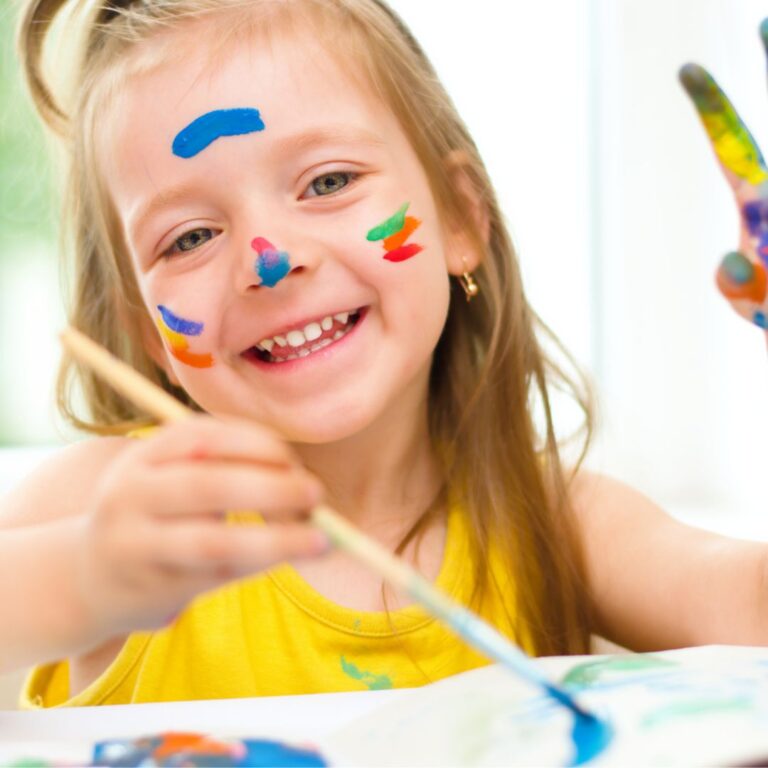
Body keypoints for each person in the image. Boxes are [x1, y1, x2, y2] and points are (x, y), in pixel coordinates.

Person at [2, 0, 767, 709]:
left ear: (461, 217)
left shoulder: (558, 523)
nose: (271, 259)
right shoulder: (124, 506)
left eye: (327, 181)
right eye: (191, 237)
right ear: (147, 334)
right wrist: (88, 577)